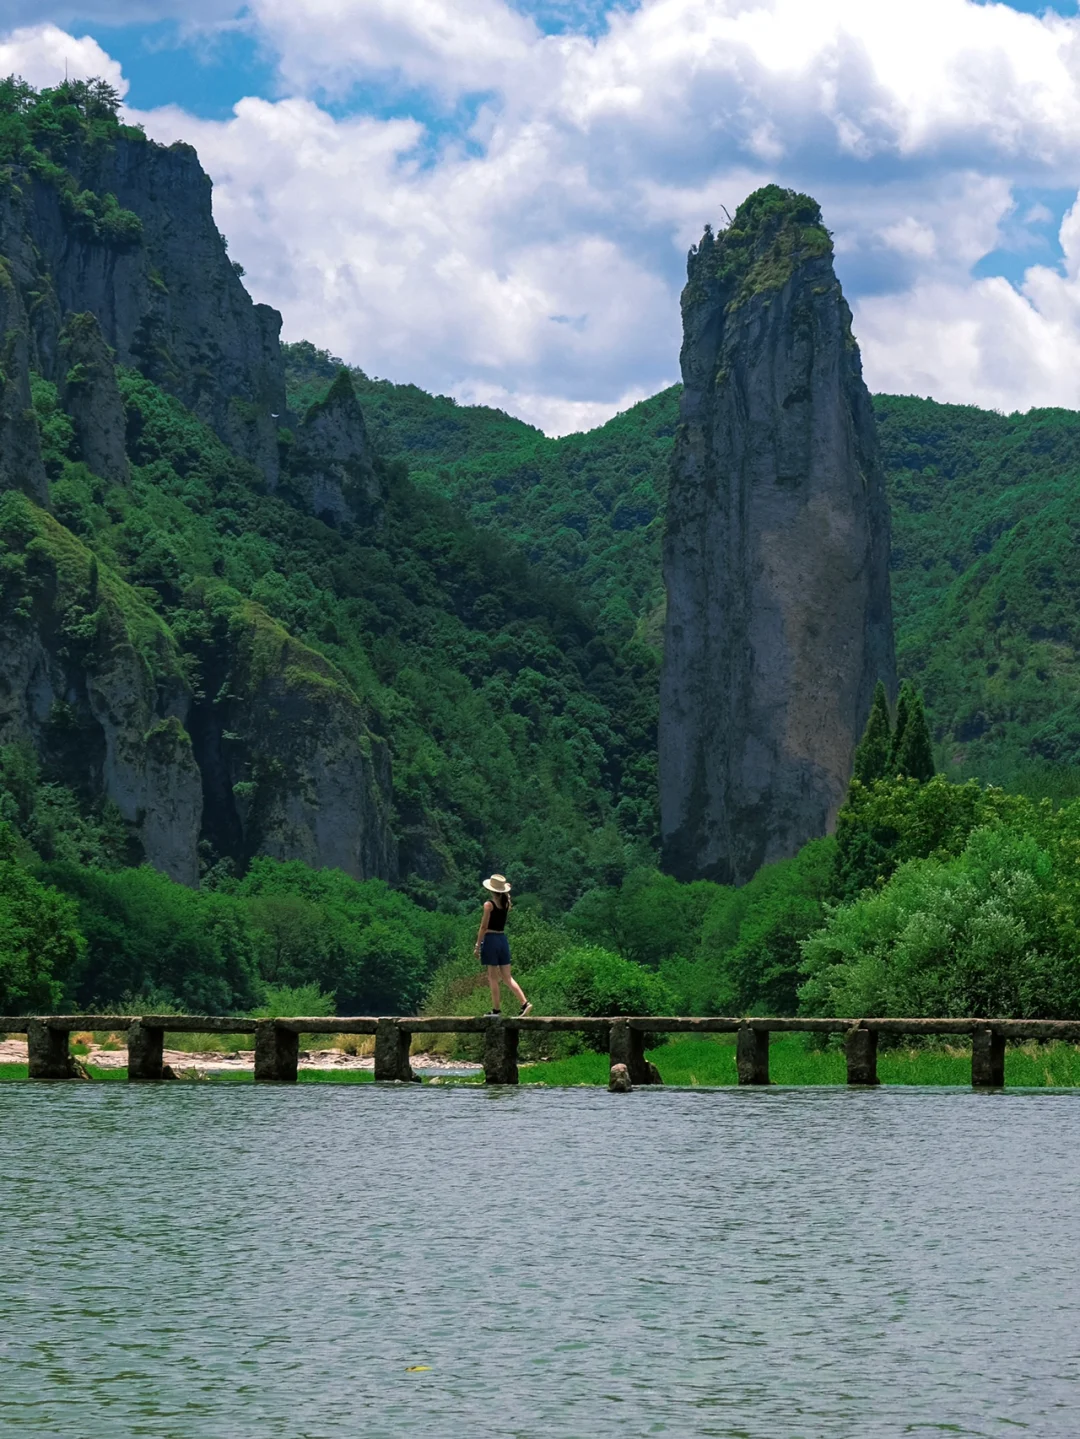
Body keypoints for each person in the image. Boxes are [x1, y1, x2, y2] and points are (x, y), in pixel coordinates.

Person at [474, 873, 531, 1017]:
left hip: (491, 940)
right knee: (507, 977)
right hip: (502, 940)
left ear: (490, 889)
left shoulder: (489, 905)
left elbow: (483, 927)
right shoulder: (506, 904)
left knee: (493, 978)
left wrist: (477, 945)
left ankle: (496, 1010)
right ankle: (524, 1003)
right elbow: (507, 897)